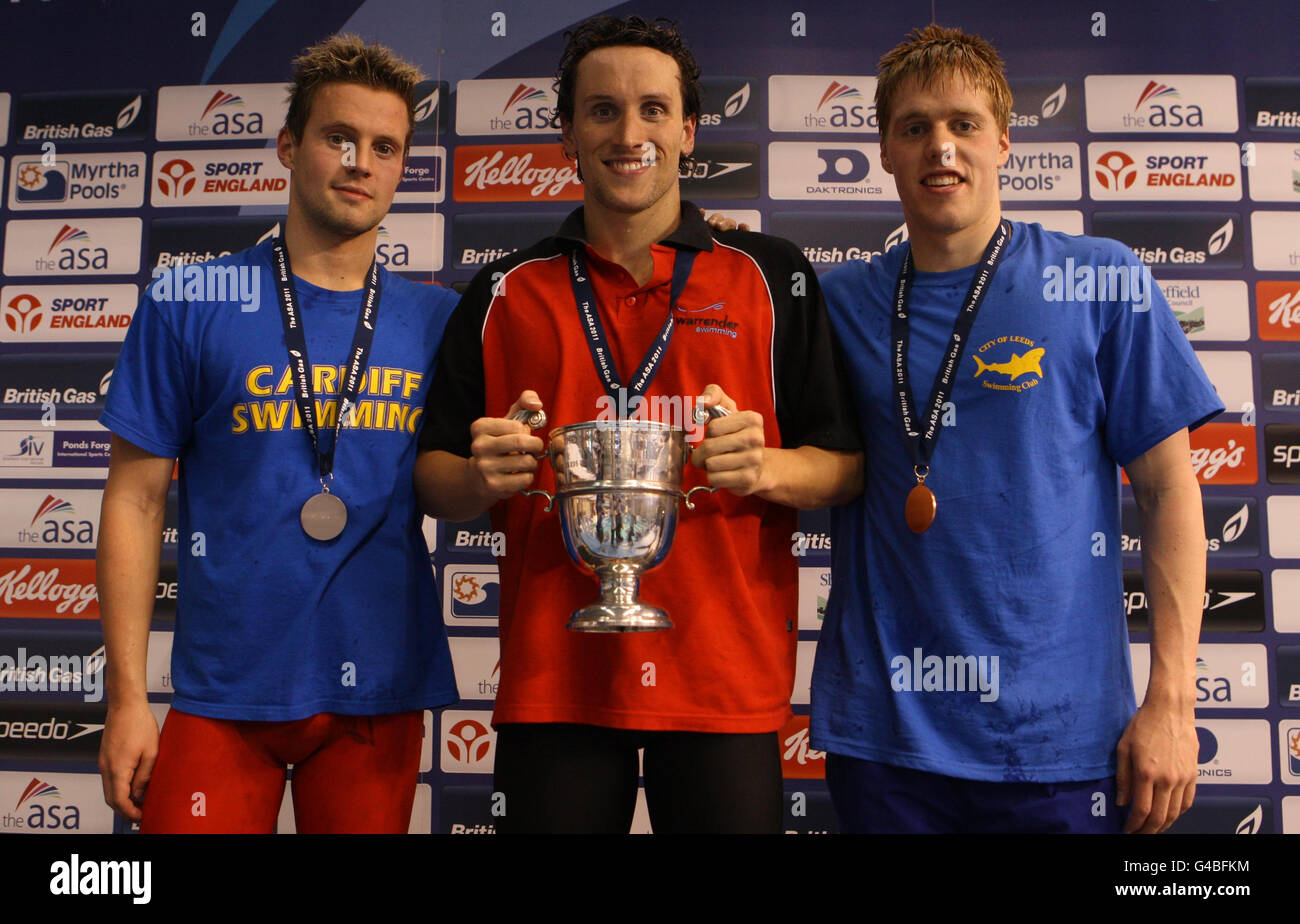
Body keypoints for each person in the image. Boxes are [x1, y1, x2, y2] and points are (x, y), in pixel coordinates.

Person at [414, 15, 862, 834]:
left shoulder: (773, 275)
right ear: (567, 136)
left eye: (655, 110)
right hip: (557, 681)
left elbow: (844, 466)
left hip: (721, 682)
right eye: (603, 111)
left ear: (688, 131)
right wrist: (477, 478)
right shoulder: (503, 292)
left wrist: (762, 466)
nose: (631, 133)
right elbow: (433, 480)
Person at [812, 24, 1223, 834]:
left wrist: (1172, 702)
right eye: (915, 126)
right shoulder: (836, 304)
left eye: (964, 123)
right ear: (884, 150)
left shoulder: (1101, 278)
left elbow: (1170, 491)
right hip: (886, 742)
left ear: (1004, 142)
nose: (942, 146)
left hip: (1060, 742)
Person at [96, 34, 458, 833]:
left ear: (403, 166)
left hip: (377, 695)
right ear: (289, 146)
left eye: (385, 146)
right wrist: (126, 699)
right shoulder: (190, 299)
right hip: (224, 696)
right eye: (339, 138)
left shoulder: (439, 319)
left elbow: (459, 479)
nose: (361, 162)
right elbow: (134, 501)